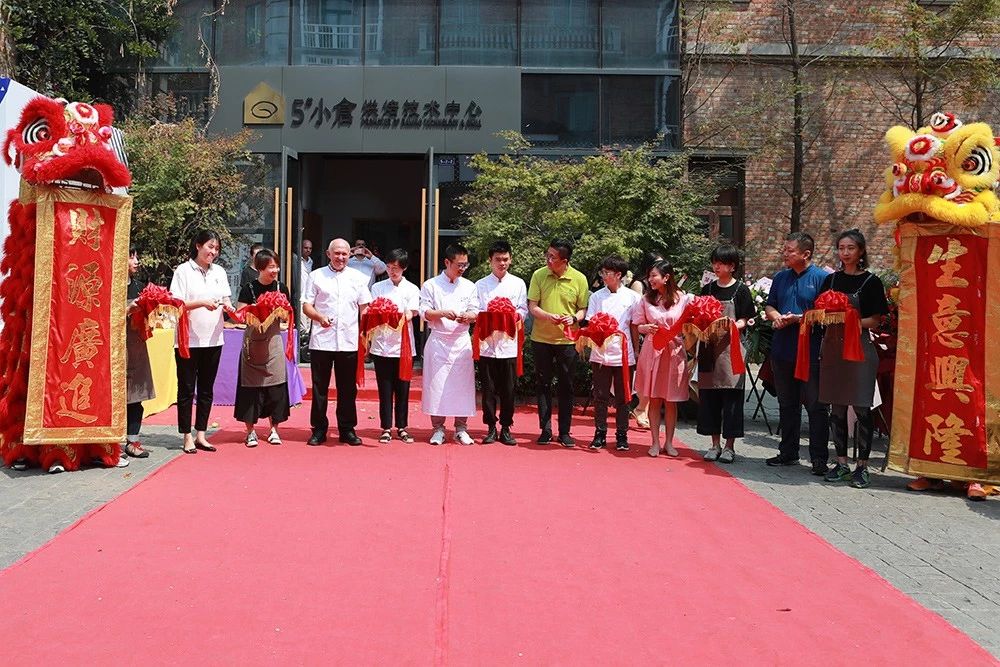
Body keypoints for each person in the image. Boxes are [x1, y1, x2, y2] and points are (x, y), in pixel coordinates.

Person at [818, 230, 889, 488]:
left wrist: (850, 321)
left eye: (850, 248)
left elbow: (876, 320)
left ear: (861, 251)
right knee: (836, 407)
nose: (845, 253)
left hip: (859, 348)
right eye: (841, 248)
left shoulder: (871, 282)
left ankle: (862, 466)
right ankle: (841, 463)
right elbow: (819, 311)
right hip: (832, 349)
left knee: (861, 407)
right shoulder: (831, 280)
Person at [764, 231, 830, 474]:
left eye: (790, 251)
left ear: (806, 254)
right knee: (787, 403)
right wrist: (776, 316)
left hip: (811, 351)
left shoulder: (822, 278)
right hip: (783, 349)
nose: (785, 254)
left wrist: (800, 318)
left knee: (816, 405)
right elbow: (770, 305)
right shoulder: (781, 277)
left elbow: (826, 313)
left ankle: (819, 458)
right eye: (785, 249)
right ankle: (788, 452)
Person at [303, 239, 372, 446]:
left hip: (349, 341)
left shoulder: (358, 278)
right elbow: (307, 305)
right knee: (319, 388)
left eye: (344, 254)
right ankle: (319, 429)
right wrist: (319, 317)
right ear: (328, 254)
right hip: (321, 341)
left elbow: (365, 308)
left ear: (349, 255)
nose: (341, 257)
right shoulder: (316, 276)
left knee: (348, 388)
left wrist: (367, 336)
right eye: (337, 253)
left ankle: (347, 429)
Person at [170, 230, 232, 454]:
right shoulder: (183, 271)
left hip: (214, 339)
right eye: (209, 247)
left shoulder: (219, 272)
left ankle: (201, 434)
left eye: (216, 249)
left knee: (206, 389)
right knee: (187, 389)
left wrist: (229, 306)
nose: (213, 252)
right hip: (188, 340)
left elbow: (225, 298)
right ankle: (186, 435)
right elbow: (176, 303)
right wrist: (201, 303)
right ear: (198, 245)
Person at [527, 239, 590, 447]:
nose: (548, 259)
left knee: (567, 385)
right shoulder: (539, 275)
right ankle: (545, 430)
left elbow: (583, 309)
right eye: (547, 254)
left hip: (568, 341)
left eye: (552, 257)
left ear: (565, 261)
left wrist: (574, 318)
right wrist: (547, 316)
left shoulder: (579, 278)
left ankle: (564, 432)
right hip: (541, 339)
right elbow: (532, 306)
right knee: (543, 384)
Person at [698, 244, 754, 464]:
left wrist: (732, 325)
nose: (716, 267)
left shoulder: (741, 290)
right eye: (714, 263)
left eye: (721, 263)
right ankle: (714, 444)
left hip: (731, 350)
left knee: (732, 400)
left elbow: (746, 318)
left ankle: (730, 446)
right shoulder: (707, 289)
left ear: (732, 266)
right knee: (710, 398)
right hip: (709, 348)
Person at [632, 260, 692, 457]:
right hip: (653, 349)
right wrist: (645, 328)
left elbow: (690, 324)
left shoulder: (683, 298)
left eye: (653, 276)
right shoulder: (645, 299)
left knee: (671, 399)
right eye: (649, 276)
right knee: (655, 398)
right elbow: (637, 324)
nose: (650, 280)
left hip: (674, 351)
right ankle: (655, 442)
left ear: (666, 277)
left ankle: (670, 442)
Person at [420, 243, 479, 445]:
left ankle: (461, 428)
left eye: (465, 265)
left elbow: (475, 311)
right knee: (436, 386)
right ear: (447, 262)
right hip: (439, 340)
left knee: (463, 385)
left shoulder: (469, 286)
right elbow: (424, 312)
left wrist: (468, 316)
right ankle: (438, 428)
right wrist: (443, 313)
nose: (462, 268)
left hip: (461, 341)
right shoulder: (431, 285)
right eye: (459, 265)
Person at [234, 249, 292, 448]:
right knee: (250, 390)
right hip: (252, 344)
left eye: (276, 266)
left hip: (273, 344)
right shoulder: (248, 288)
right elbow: (240, 314)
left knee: (276, 388)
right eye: (270, 267)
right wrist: (257, 308)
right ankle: (250, 431)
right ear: (260, 268)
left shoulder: (281, 288)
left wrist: (280, 309)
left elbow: (287, 316)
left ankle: (274, 429)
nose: (274, 271)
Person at [474, 240, 527, 446]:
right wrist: (492, 314)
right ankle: (490, 426)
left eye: (505, 259)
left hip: (509, 344)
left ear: (510, 259)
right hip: (487, 344)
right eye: (498, 259)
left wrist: (512, 315)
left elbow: (523, 309)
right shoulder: (480, 285)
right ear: (490, 260)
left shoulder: (518, 283)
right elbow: (476, 310)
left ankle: (506, 426)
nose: (502, 263)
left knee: (508, 389)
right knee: (488, 389)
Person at [586, 255, 640, 451]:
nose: (603, 276)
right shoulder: (596, 297)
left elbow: (634, 325)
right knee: (600, 394)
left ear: (619, 275)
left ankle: (622, 434)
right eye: (603, 272)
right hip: (601, 351)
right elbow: (591, 322)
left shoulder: (633, 297)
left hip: (624, 351)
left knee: (623, 396)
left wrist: (636, 350)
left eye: (607, 272)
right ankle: (600, 432)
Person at [370, 248, 419, 444]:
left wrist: (400, 316)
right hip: (382, 345)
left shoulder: (412, 289)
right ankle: (386, 427)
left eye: (396, 268)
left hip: (403, 346)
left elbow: (413, 312)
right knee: (384, 388)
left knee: (403, 388)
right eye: (389, 267)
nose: (392, 271)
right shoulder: (378, 287)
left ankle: (402, 426)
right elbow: (373, 311)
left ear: (404, 268)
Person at [628, 251, 664, 430]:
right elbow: (635, 317)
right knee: (645, 375)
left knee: (655, 376)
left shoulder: (662, 287)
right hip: (642, 335)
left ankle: (644, 410)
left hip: (658, 335)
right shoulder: (639, 285)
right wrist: (635, 346)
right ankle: (641, 408)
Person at [123, 245, 153, 460]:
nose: (136, 261)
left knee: (135, 397)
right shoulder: (109, 286)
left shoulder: (140, 287)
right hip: (116, 348)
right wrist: (127, 309)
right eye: (131, 256)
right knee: (116, 397)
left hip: (136, 345)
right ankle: (112, 443)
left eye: (137, 256)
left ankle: (133, 441)